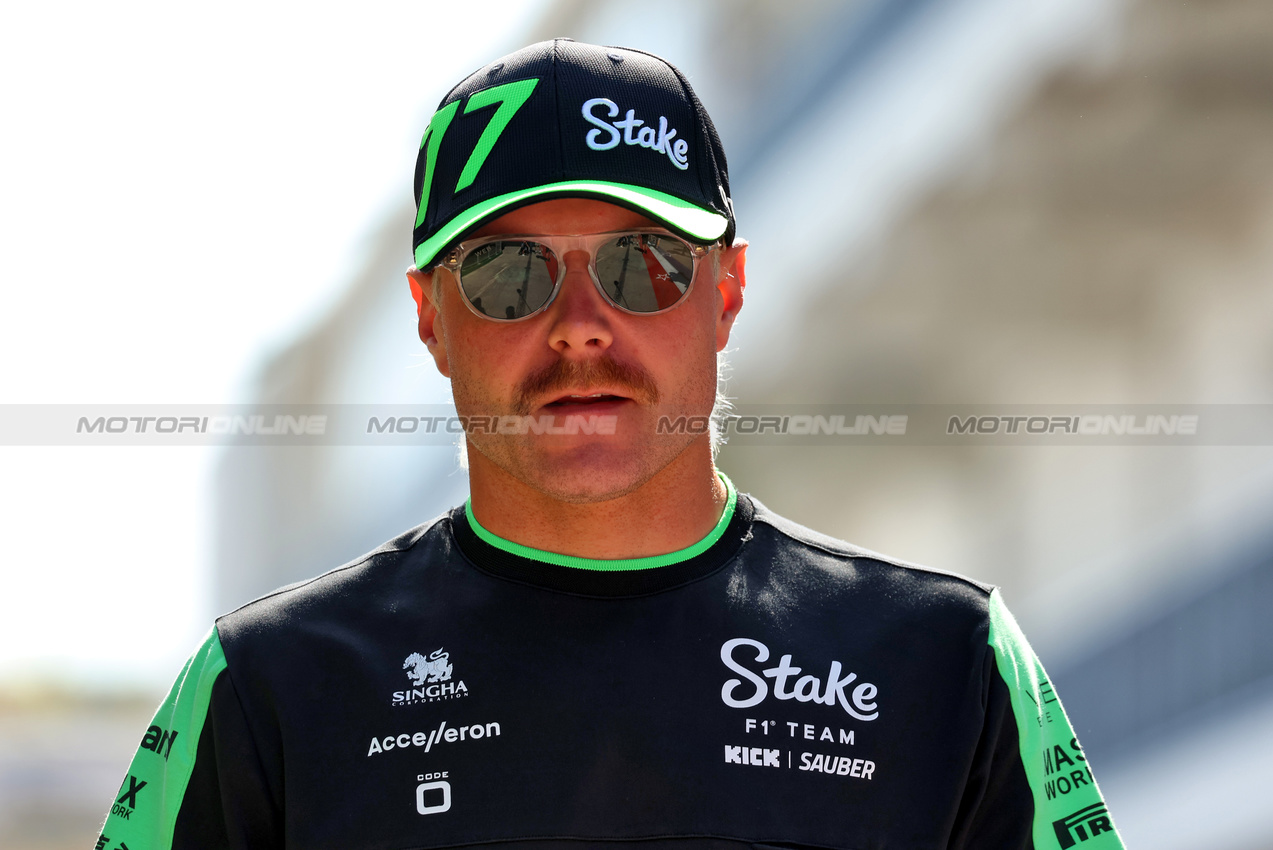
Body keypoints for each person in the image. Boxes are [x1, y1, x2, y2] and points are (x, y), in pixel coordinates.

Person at [99, 38, 1124, 850]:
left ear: (725, 291)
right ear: (429, 315)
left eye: (644, 264)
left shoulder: (946, 659)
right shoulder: (267, 685)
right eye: (510, 273)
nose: (581, 322)